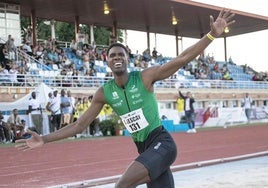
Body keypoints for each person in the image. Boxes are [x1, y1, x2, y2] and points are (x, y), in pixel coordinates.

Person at [16, 9, 235, 188]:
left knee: (122, 185)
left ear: (127, 59)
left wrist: (211, 36)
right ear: (107, 61)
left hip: (162, 144)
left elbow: (182, 58)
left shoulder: (145, 77)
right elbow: (79, 125)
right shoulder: (105, 93)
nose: (117, 58)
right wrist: (44, 139)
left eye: (121, 54)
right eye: (113, 55)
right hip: (145, 149)